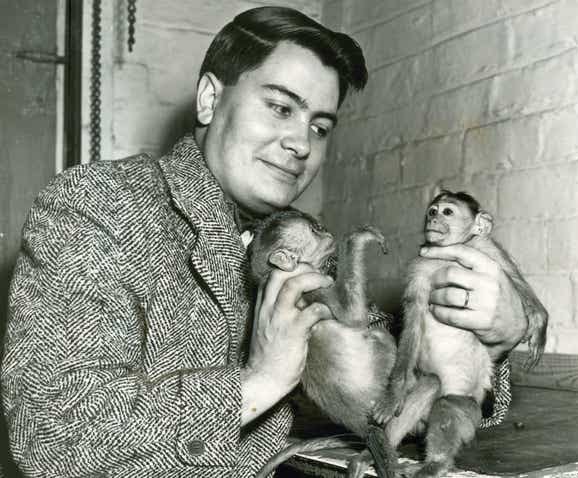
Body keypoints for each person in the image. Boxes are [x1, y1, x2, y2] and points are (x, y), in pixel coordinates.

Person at [1, 6, 527, 477]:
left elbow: (383, 382)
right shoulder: (100, 204)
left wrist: (488, 340)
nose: (300, 142)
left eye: (320, 127)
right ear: (210, 99)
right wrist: (258, 380)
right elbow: (52, 436)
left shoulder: (297, 235)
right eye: (280, 107)